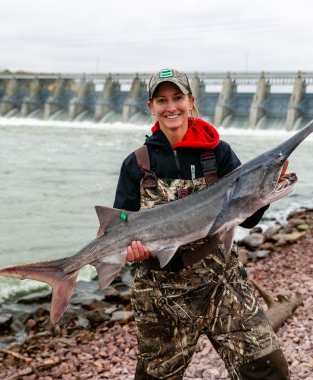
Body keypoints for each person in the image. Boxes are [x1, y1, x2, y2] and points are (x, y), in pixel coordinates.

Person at [113, 68, 290, 380]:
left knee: (267, 369)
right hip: (161, 290)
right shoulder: (137, 164)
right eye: (162, 100)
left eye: (178, 98)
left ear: (190, 101)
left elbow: (246, 218)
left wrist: (266, 189)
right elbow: (122, 218)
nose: (171, 107)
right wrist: (132, 249)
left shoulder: (217, 154)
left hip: (221, 280)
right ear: (150, 106)